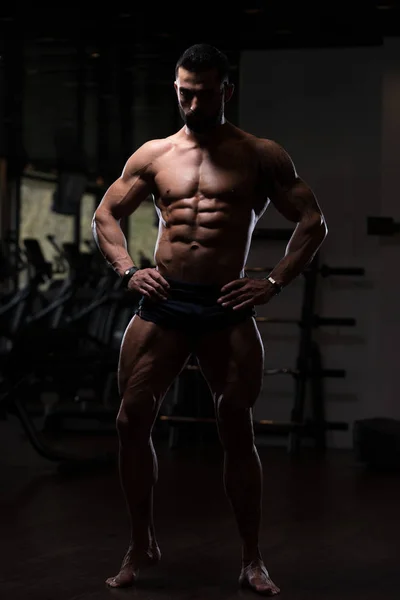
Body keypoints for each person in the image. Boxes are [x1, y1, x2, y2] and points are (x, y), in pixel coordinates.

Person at [92, 43, 328, 596]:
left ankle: (251, 558)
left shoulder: (260, 154)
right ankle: (141, 542)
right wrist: (128, 270)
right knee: (130, 420)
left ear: (227, 90)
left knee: (235, 425)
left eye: (202, 92)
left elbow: (312, 220)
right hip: (165, 300)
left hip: (224, 306)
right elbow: (106, 213)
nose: (191, 102)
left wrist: (271, 282)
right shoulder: (153, 154)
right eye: (183, 91)